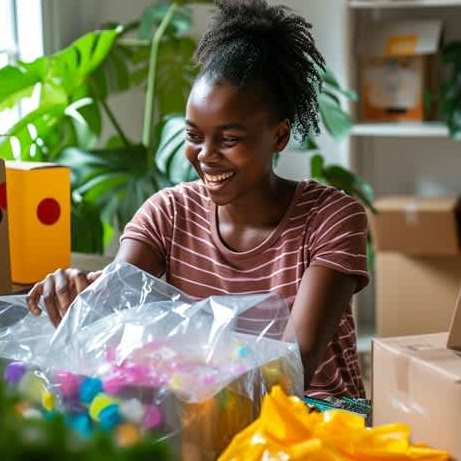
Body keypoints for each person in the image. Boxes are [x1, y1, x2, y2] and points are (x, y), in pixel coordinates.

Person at [27, 0, 369, 399]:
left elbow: (293, 366)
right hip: (201, 417)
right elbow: (113, 308)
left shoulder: (331, 218)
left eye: (229, 139)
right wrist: (75, 294)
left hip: (311, 425)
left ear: (278, 136)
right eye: (193, 136)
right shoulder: (168, 213)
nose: (204, 155)